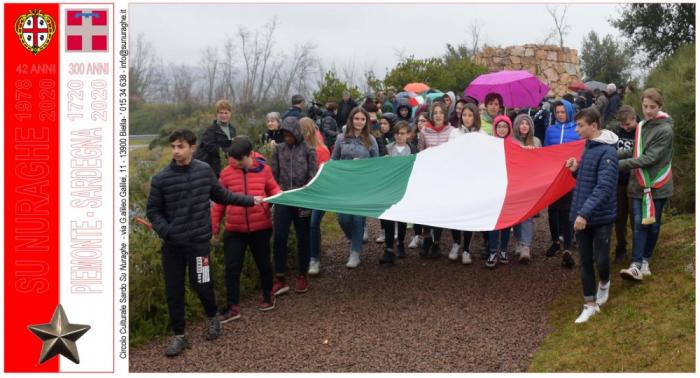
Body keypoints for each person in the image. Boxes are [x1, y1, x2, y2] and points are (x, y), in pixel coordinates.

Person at [147, 129, 261, 357]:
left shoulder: (204, 171)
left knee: (203, 284)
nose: (176, 151)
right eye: (173, 147)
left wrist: (250, 200)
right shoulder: (161, 179)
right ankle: (179, 336)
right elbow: (153, 211)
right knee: (174, 290)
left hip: (199, 244)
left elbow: (222, 195)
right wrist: (166, 231)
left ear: (192, 147)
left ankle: (212, 318)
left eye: (180, 146)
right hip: (173, 247)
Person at [211, 136, 281, 323]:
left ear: (249, 155)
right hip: (234, 229)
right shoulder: (226, 173)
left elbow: (274, 190)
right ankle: (233, 306)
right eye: (233, 159)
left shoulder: (264, 170)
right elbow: (219, 202)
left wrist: (274, 201)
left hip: (260, 227)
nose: (236, 162)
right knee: (232, 268)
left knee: (264, 264)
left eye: (239, 159)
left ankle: (268, 295)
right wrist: (215, 226)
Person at [565, 107, 619, 323]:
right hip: (582, 215)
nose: (577, 129)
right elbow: (589, 180)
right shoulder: (589, 146)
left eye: (580, 125)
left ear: (593, 126)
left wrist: (584, 213)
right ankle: (589, 304)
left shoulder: (608, 152)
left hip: (600, 217)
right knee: (585, 261)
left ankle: (604, 281)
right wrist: (576, 169)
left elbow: (604, 187)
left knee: (601, 259)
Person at [618, 88, 673, 282]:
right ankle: (636, 264)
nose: (648, 111)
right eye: (645, 106)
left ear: (660, 107)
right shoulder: (641, 125)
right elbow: (635, 150)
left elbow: (648, 158)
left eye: (652, 107)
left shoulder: (665, 130)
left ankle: (645, 259)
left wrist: (619, 165)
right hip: (637, 184)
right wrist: (610, 154)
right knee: (640, 224)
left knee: (654, 225)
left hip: (658, 184)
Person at [270, 117, 317, 295]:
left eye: (290, 134)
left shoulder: (309, 150)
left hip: (302, 200)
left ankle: (302, 274)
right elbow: (273, 174)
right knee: (280, 236)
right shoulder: (279, 150)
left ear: (296, 133)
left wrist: (305, 191)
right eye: (284, 134)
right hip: (283, 198)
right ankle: (280, 276)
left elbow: (313, 175)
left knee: (302, 237)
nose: (287, 138)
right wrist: (276, 193)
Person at [331, 107, 379, 268]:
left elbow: (375, 163)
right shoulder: (340, 139)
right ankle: (354, 237)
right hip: (344, 183)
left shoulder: (371, 140)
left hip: (362, 184)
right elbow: (334, 160)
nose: (359, 122)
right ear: (351, 120)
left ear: (366, 122)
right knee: (343, 218)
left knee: (358, 218)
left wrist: (364, 166)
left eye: (362, 119)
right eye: (356, 118)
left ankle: (355, 253)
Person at [544, 99, 580, 269]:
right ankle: (555, 242)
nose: (560, 115)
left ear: (569, 111)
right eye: (557, 112)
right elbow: (545, 151)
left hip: (569, 176)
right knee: (552, 210)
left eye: (563, 112)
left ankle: (567, 248)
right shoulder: (550, 130)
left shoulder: (577, 130)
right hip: (553, 176)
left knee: (566, 211)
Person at [417, 102, 455, 258]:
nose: (438, 115)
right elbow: (420, 152)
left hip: (444, 176)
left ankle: (437, 242)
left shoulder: (452, 131)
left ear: (445, 115)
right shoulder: (424, 132)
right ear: (431, 115)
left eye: (441, 112)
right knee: (427, 209)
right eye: (435, 112)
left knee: (440, 209)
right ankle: (426, 239)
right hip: (428, 176)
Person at [379, 121, 418, 263]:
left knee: (402, 217)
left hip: (404, 188)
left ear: (408, 135)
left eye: (402, 133)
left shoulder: (413, 150)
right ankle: (389, 247)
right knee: (388, 217)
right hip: (389, 187)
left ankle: (400, 242)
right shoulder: (387, 149)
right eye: (397, 133)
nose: (399, 136)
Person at [298, 117, 332, 276]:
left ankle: (314, 259)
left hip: (319, 193)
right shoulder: (298, 149)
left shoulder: (321, 150)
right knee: (306, 225)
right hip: (304, 193)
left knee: (313, 222)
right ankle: (310, 255)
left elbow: (325, 175)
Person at [511, 114, 543, 263]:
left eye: (527, 123)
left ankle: (526, 246)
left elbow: (541, 163)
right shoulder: (511, 141)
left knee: (527, 216)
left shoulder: (536, 141)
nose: (524, 126)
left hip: (530, 184)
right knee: (516, 216)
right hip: (515, 184)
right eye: (521, 123)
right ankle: (518, 240)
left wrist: (533, 152)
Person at [485, 115, 515, 268]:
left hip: (508, 188)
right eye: (499, 126)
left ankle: (503, 250)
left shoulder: (514, 145)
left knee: (505, 222)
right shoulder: (490, 145)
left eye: (505, 126)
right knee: (493, 222)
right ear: (495, 129)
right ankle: (492, 251)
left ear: (509, 128)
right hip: (493, 188)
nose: (502, 129)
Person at [611, 105, 637, 262]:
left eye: (627, 124)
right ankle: (621, 246)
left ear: (634, 119)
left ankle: (637, 249)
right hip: (618, 180)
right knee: (619, 216)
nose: (625, 127)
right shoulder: (616, 132)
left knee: (635, 217)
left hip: (635, 180)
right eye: (622, 124)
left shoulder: (641, 131)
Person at [194, 100, 237, 177]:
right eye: (221, 113)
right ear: (217, 114)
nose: (223, 115)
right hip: (211, 167)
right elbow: (210, 147)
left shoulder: (232, 129)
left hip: (226, 165)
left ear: (230, 114)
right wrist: (228, 151)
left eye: (226, 113)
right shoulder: (211, 129)